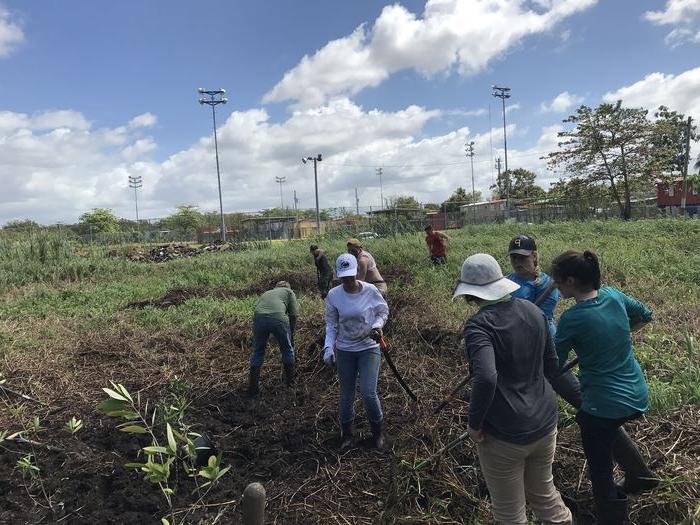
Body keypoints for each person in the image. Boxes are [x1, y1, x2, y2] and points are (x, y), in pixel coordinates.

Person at [454, 253, 579, 525]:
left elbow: (486, 377)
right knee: (545, 494)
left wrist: (474, 423)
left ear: (471, 293)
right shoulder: (534, 312)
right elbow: (553, 368)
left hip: (505, 434)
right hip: (545, 424)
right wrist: (583, 400)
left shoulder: (479, 326)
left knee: (509, 513)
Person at [551, 250, 657, 524]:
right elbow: (645, 315)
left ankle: (612, 518)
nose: (556, 286)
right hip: (636, 393)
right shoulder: (614, 295)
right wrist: (616, 335)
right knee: (606, 430)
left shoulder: (572, 319)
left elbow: (553, 364)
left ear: (571, 281)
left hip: (604, 404)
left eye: (558, 281)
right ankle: (639, 477)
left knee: (599, 466)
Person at [323, 253, 389, 450]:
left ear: (356, 274)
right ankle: (347, 435)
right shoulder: (334, 295)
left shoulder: (369, 290)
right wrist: (328, 347)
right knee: (346, 394)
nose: (349, 281)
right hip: (345, 350)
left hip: (368, 347)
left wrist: (377, 326)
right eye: (344, 278)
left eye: (351, 276)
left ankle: (378, 432)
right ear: (339, 276)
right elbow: (331, 325)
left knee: (368, 393)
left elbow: (383, 311)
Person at [247, 281, 299, 397]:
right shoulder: (289, 292)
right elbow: (293, 315)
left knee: (258, 351)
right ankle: (290, 384)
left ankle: (253, 388)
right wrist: (291, 335)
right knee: (287, 349)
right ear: (288, 287)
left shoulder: (267, 292)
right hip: (278, 318)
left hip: (259, 318)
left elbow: (261, 309)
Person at [506, 235, 559, 335]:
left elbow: (540, 317)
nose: (517, 262)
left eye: (522, 258)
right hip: (513, 335)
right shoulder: (505, 282)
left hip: (542, 335)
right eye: (514, 258)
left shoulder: (547, 283)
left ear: (534, 256)